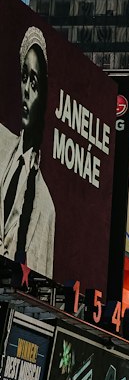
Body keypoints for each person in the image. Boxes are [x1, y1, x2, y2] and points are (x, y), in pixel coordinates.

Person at [0, 26, 55, 275]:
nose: (26, 91)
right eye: (24, 77)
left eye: (34, 82)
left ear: (42, 93)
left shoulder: (46, 206)